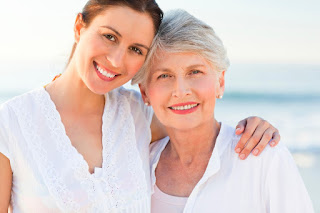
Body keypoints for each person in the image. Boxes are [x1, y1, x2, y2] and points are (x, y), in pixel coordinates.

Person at [0, 1, 280, 212]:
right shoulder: (10, 123)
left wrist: (254, 126)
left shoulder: (140, 115)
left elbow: (200, 122)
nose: (117, 60)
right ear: (78, 27)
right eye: (109, 36)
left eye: (136, 50)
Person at [136, 9, 314, 213]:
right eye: (164, 76)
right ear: (144, 92)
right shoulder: (138, 165)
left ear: (220, 82)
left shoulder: (265, 159)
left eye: (195, 72)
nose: (181, 91)